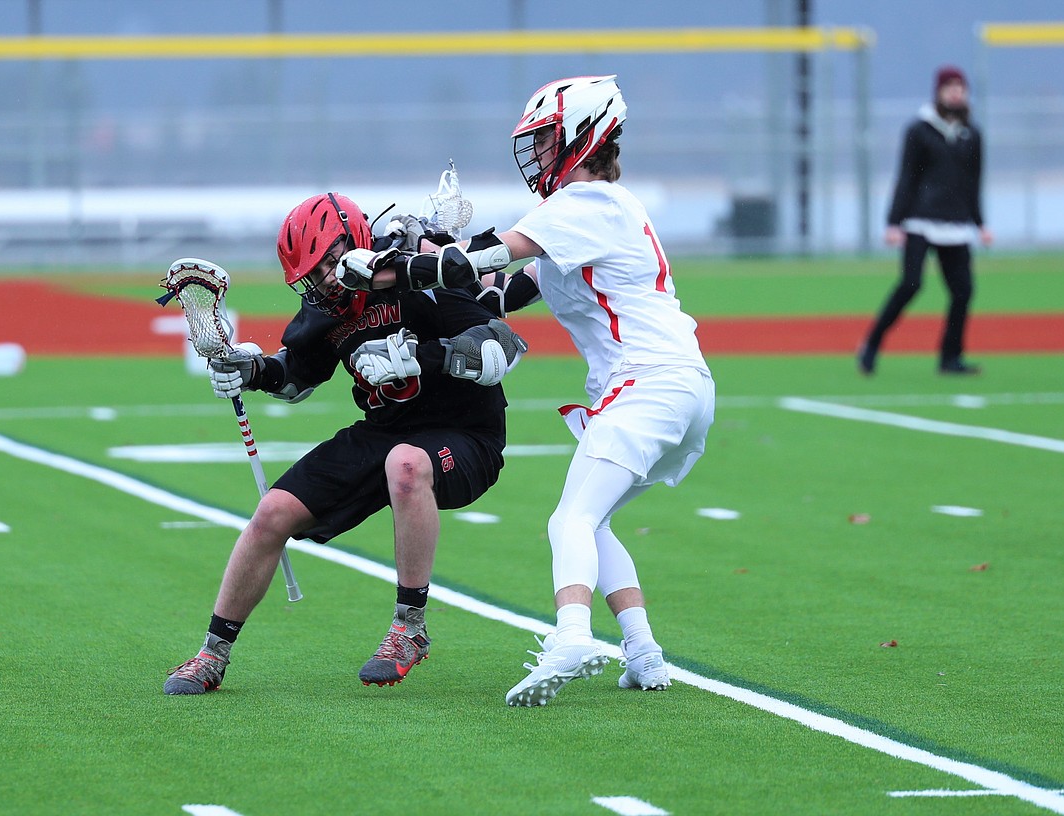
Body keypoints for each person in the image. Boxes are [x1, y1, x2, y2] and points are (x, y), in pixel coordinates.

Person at [337, 75, 715, 707]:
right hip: (675, 384)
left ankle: (571, 638)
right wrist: (429, 267)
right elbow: (500, 292)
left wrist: (390, 267)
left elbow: (480, 258)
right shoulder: (589, 214)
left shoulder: (587, 203)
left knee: (569, 518)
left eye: (545, 142)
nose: (536, 156)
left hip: (649, 383)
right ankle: (644, 653)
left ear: (581, 136)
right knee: (594, 523)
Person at [163, 192, 527, 694]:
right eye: (314, 274)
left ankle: (409, 628)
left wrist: (419, 356)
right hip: (385, 430)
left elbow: (502, 348)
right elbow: (295, 377)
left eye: (332, 263)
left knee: (405, 465)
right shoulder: (327, 306)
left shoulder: (412, 274)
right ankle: (212, 653)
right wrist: (249, 370)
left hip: (465, 433)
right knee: (272, 513)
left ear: (356, 242)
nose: (327, 280)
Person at [858, 65, 993, 376]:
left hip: (956, 223)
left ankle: (950, 357)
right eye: (950, 87)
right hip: (921, 220)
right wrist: (894, 222)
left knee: (963, 291)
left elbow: (974, 182)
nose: (956, 92)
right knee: (911, 284)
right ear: (938, 92)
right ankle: (872, 345)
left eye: (961, 87)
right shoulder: (920, 130)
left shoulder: (972, 134)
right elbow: (906, 177)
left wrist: (980, 223)